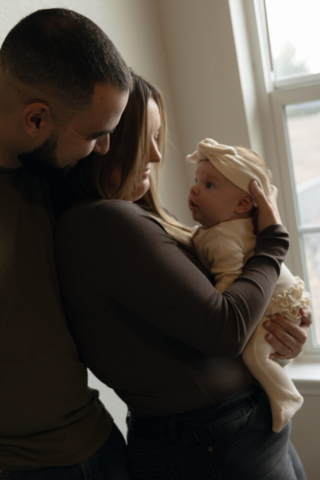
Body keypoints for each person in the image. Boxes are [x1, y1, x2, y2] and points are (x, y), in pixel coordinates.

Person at [55, 72, 311, 480]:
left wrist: (276, 332)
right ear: (109, 141)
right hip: (210, 442)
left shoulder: (142, 216)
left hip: (238, 430)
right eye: (147, 139)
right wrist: (273, 240)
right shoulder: (105, 221)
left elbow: (228, 311)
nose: (157, 156)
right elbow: (225, 330)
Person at [0, 8, 131, 479]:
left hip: (101, 440)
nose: (102, 150)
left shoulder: (56, 175)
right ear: (36, 118)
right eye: (94, 135)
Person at [187, 138, 311, 433]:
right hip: (282, 294)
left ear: (244, 203)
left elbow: (229, 282)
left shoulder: (223, 237)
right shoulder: (216, 231)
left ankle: (286, 397)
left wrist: (214, 312)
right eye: (196, 180)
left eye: (209, 185)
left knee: (255, 355)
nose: (194, 188)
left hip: (278, 304)